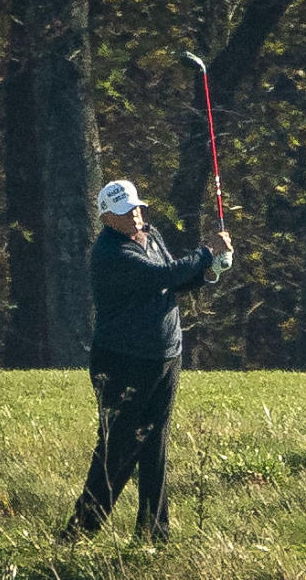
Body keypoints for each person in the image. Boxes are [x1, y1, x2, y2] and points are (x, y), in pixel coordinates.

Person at [60, 179, 232, 544]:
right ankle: (79, 534)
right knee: (118, 448)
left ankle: (154, 534)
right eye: (125, 212)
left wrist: (209, 271)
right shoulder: (110, 254)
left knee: (155, 446)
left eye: (137, 208)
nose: (135, 216)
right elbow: (161, 276)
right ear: (107, 217)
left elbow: (173, 281)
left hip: (166, 357)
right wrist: (206, 252)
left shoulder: (150, 237)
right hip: (123, 362)